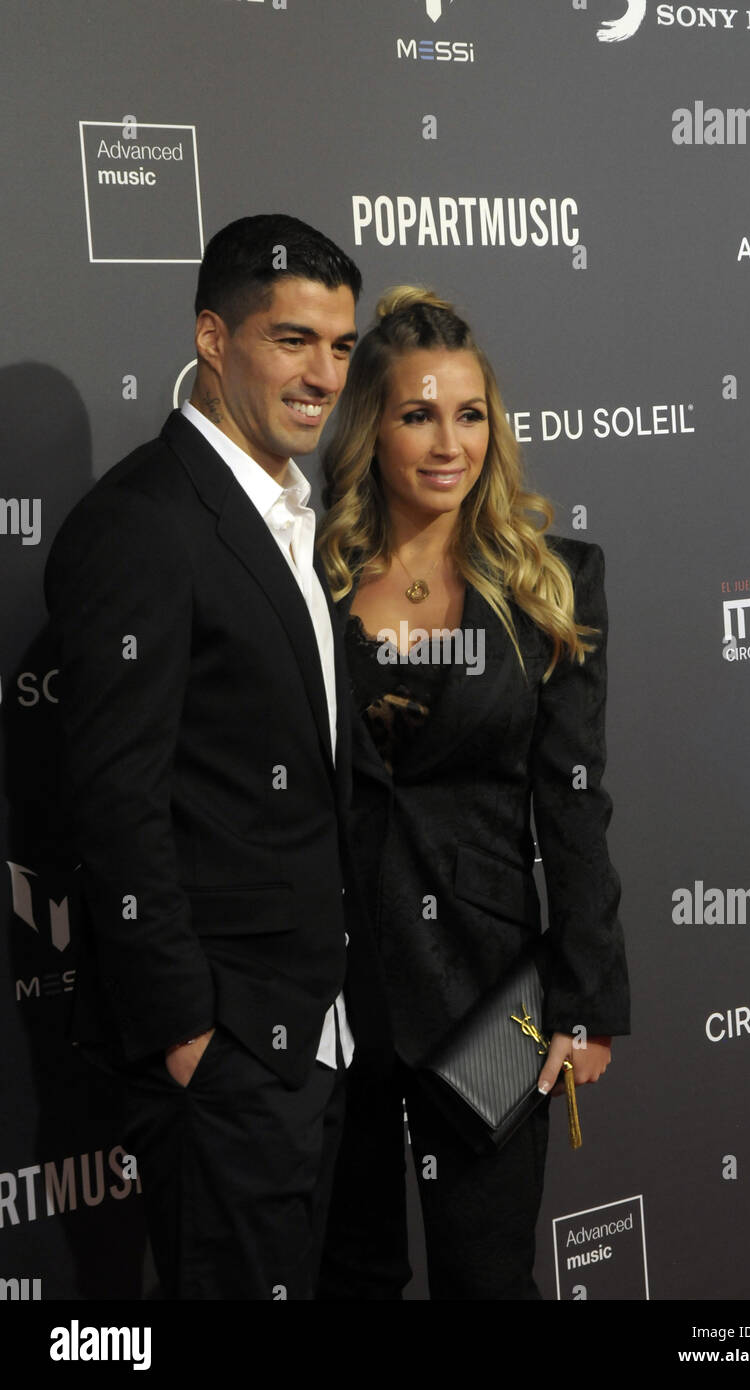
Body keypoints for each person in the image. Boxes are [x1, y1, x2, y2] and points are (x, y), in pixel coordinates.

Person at [44, 214, 380, 1300]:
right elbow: (115, 802)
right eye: (292, 340)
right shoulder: (142, 522)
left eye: (338, 346)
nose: (323, 373)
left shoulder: (291, 507)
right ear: (211, 337)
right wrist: (193, 1033)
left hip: (314, 1035)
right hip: (228, 1050)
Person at [316, 287, 629, 1300]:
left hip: (491, 993)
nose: (447, 442)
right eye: (416, 414)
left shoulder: (549, 584)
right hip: (334, 988)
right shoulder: (309, 578)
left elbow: (574, 802)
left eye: (469, 413)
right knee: (347, 1271)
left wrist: (584, 1003)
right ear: (373, 427)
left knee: (485, 1278)